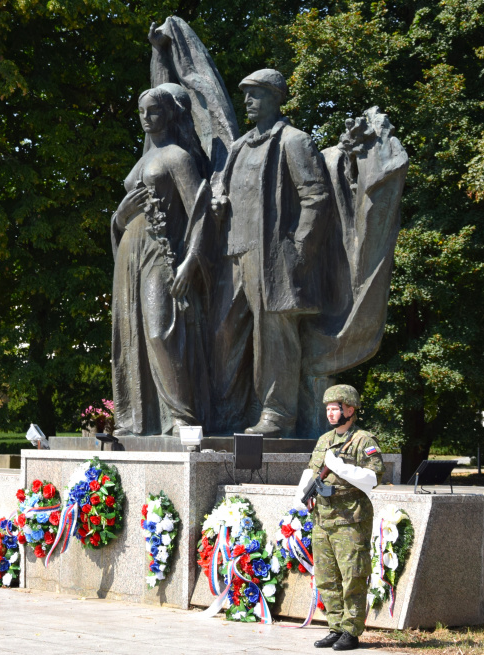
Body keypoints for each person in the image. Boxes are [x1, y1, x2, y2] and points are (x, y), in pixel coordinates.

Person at [213, 69, 330, 437]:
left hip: (274, 257)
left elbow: (316, 196)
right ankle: (231, 409)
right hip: (235, 254)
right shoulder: (239, 147)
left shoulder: (294, 141)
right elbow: (223, 190)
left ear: (276, 97)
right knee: (223, 333)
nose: (248, 101)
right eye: (245, 94)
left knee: (274, 336)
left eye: (256, 94)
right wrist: (217, 202)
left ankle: (278, 415)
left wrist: (297, 252)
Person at [111, 82, 213, 437]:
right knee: (131, 333)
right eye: (141, 111)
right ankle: (138, 419)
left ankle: (182, 417)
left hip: (160, 250)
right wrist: (119, 218)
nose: (146, 117)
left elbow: (200, 212)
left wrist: (192, 261)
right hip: (130, 252)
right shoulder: (143, 158)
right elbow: (123, 215)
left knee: (159, 330)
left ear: (170, 113)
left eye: (154, 110)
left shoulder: (177, 157)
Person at [293, 385, 384, 651]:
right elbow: (311, 471)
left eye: (336, 408)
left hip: (350, 518)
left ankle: (351, 631)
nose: (331, 413)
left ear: (350, 409)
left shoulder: (364, 440)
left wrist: (340, 467)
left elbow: (373, 478)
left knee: (353, 576)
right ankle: (335, 627)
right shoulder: (324, 440)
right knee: (326, 577)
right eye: (328, 409)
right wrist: (299, 497)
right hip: (323, 517)